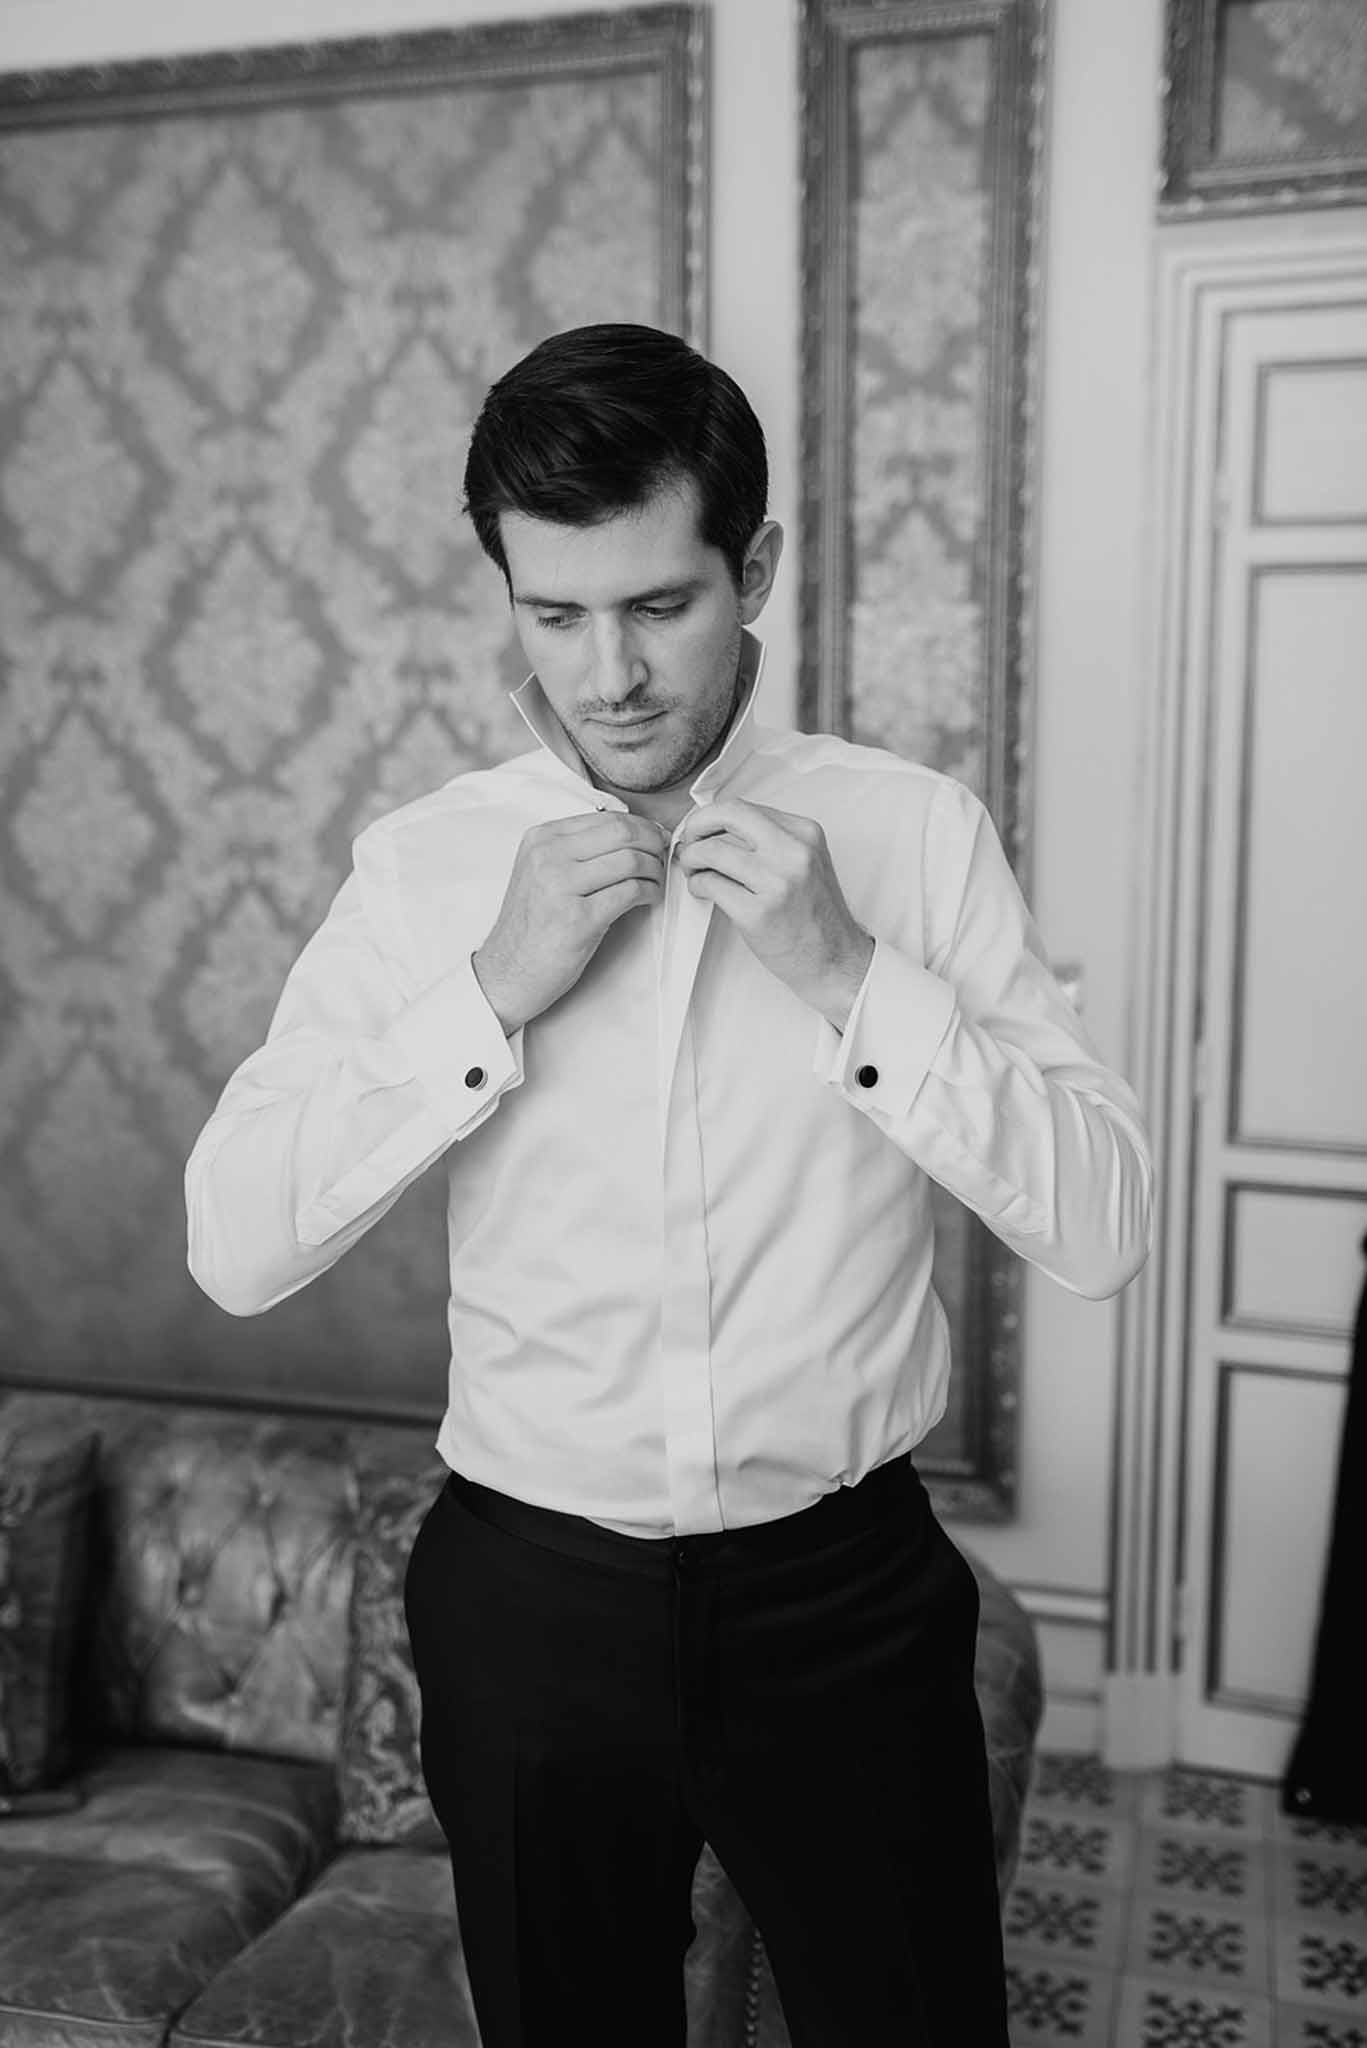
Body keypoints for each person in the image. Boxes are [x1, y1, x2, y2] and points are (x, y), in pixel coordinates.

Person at [185, 322, 1153, 2048]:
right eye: (554, 616)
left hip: (842, 1599)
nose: (607, 675)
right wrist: (480, 999)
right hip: (528, 1602)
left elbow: (1105, 1223)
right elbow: (236, 1243)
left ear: (755, 571)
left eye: (658, 607)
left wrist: (852, 969)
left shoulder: (912, 835)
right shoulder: (423, 874)